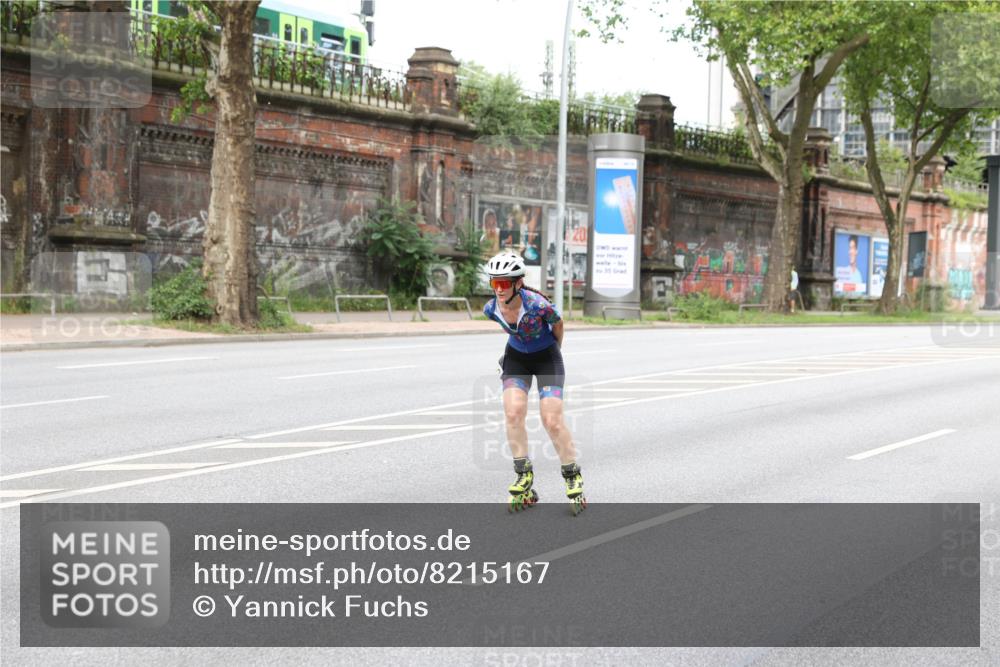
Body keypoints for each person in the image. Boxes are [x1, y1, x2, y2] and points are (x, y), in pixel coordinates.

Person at [482, 251, 586, 514]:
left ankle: (572, 475)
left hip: (547, 357)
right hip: (516, 358)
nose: (498, 289)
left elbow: (558, 325)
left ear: (518, 283)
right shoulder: (491, 309)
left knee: (551, 420)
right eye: (494, 282)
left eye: (504, 283)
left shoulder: (538, 305)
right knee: (513, 412)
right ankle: (523, 474)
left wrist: (554, 355)